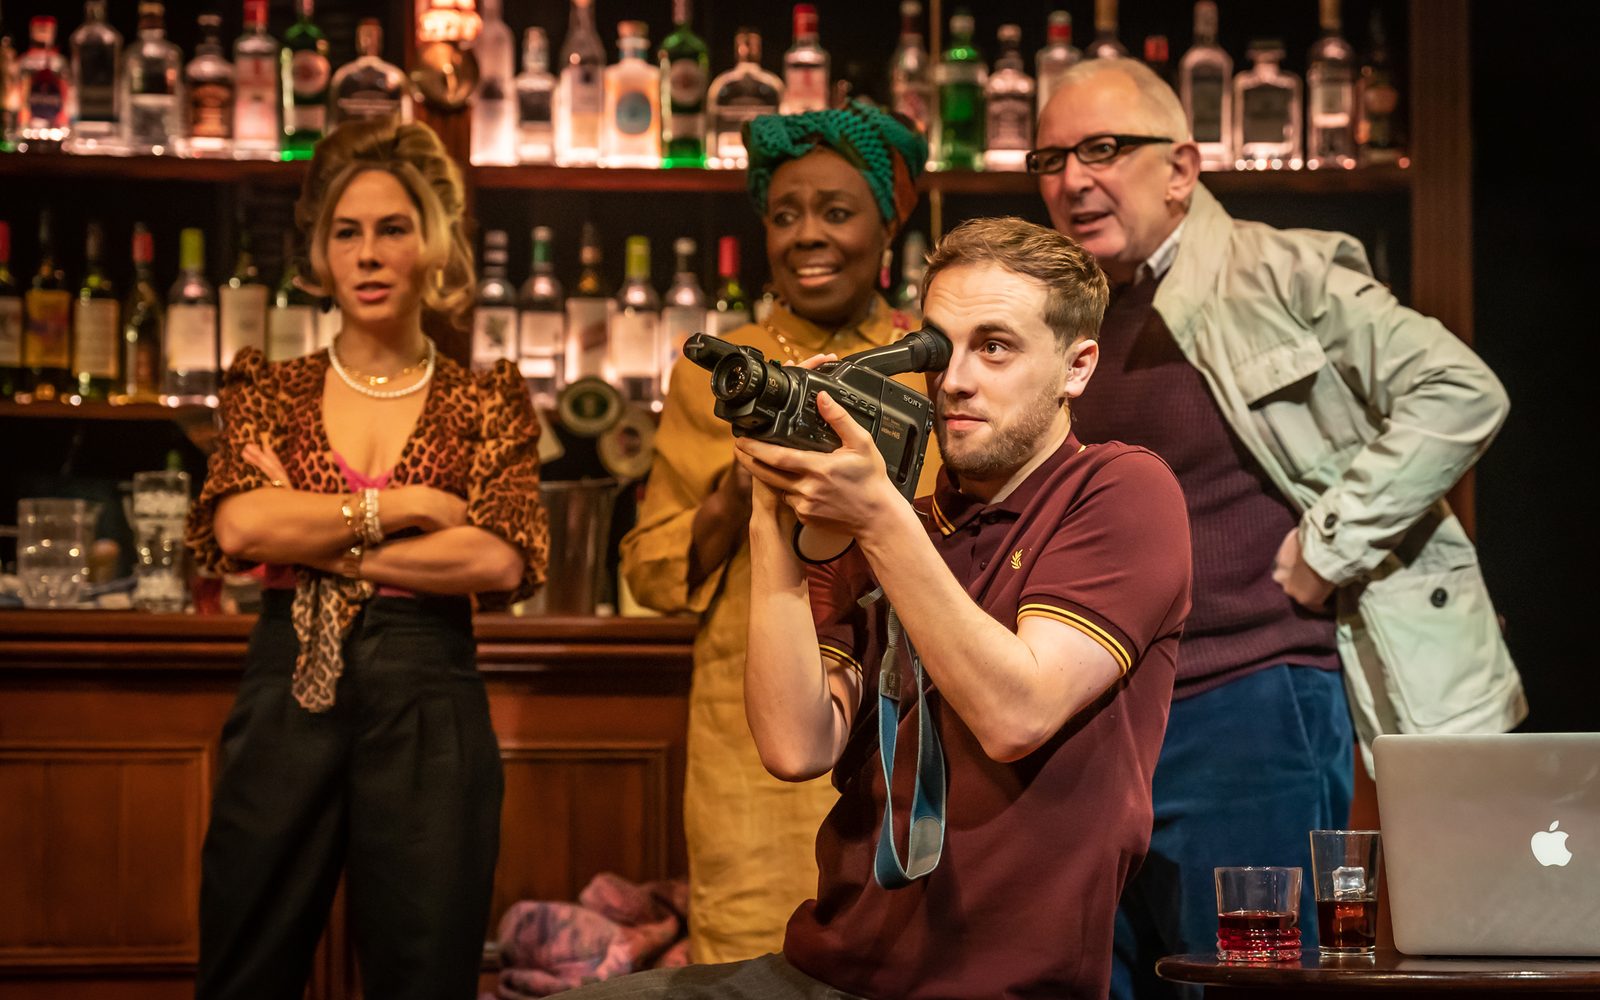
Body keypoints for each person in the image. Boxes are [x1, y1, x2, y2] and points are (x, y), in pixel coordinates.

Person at [563, 217, 1192, 998]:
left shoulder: (1119, 490)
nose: (954, 378)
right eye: (938, 347)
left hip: (1002, 985)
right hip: (826, 971)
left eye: (995, 347)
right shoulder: (891, 524)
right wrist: (772, 509)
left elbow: (1016, 713)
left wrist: (878, 519)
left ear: (1077, 366)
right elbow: (796, 746)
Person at [1031, 59, 1525, 998]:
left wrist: (1327, 547)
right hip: (1099, 714)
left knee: (1250, 984)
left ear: (1181, 166)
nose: (1071, 180)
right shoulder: (1064, 314)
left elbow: (1461, 390)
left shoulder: (1282, 270)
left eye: (1103, 149)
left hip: (1250, 701)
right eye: (1049, 157)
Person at [185, 117, 549, 999]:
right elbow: (236, 531)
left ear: (433, 247)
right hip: (284, 692)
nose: (370, 253)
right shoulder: (266, 388)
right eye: (346, 233)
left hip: (431, 696)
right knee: (244, 967)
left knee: (425, 973)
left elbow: (500, 559)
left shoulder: (483, 400)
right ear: (319, 256)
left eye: (393, 229)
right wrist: (408, 512)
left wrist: (321, 537)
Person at [618, 99, 937, 964]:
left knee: (903, 954)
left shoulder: (929, 364)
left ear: (887, 223)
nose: (808, 235)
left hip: (902, 714)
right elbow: (649, 571)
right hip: (749, 729)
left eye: (837, 211)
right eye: (786, 214)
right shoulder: (720, 371)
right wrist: (741, 475)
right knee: (750, 961)